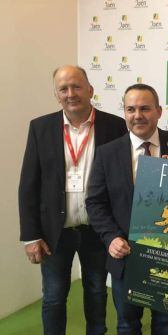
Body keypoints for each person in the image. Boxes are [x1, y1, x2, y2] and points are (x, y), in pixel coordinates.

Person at [18, 65, 128, 334]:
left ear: (90, 90)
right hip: (55, 233)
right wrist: (31, 236)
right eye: (63, 88)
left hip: (98, 230)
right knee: (54, 298)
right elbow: (28, 185)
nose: (71, 94)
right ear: (56, 94)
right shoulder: (40, 128)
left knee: (96, 292)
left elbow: (125, 177)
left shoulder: (114, 126)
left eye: (77, 86)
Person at [86, 83, 168, 335]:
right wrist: (111, 237)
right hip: (126, 255)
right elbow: (95, 202)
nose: (137, 115)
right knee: (127, 323)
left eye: (145, 108)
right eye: (130, 109)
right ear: (124, 112)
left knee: (165, 323)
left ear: (159, 111)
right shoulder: (107, 153)